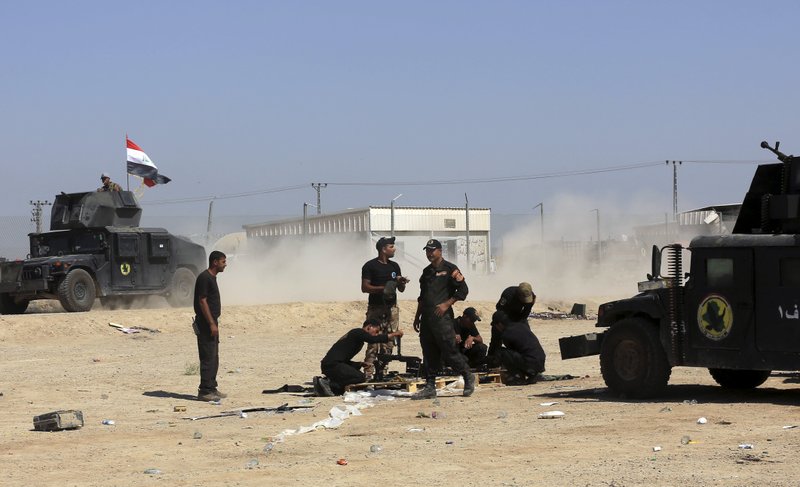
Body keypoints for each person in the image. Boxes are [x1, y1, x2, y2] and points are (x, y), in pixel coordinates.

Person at [411, 238, 475, 399]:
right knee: (428, 351)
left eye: (432, 250)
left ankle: (468, 376)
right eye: (427, 251)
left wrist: (447, 304)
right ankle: (430, 386)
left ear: (440, 251)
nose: (430, 253)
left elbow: (463, 290)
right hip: (427, 319)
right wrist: (417, 316)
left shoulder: (450, 269)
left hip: (442, 319)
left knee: (449, 351)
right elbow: (422, 297)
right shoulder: (426, 272)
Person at [360, 236, 409, 379]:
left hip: (391, 309)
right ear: (383, 249)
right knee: (373, 341)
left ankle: (383, 371)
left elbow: (401, 290)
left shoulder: (395, 266)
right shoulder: (370, 266)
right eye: (391, 246)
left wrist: (401, 282)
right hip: (376, 307)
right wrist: (383, 289)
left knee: (389, 342)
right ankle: (368, 373)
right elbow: (365, 287)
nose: (394, 249)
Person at [315, 319, 404, 396]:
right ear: (369, 327)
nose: (376, 334)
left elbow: (343, 359)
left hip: (332, 365)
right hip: (332, 365)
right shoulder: (358, 332)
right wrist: (395, 334)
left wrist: (360, 364)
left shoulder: (358, 338)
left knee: (353, 379)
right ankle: (328, 383)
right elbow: (373, 340)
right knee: (360, 378)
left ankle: (329, 386)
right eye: (376, 331)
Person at [193, 250, 227, 401]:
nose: (225, 265)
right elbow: (202, 301)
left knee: (214, 356)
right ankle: (205, 391)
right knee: (207, 357)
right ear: (215, 262)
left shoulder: (212, 278)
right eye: (223, 262)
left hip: (212, 322)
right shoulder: (204, 278)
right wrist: (211, 323)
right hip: (206, 323)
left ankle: (212, 387)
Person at [489, 310, 546, 385]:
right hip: (540, 362)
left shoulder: (506, 334)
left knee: (502, 352)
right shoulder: (521, 325)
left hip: (530, 363)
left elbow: (512, 356)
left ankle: (518, 377)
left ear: (499, 324)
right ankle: (531, 375)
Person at [488, 282, 536, 357]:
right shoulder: (508, 293)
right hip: (505, 316)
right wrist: (507, 324)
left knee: (526, 337)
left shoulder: (530, 295)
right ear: (518, 294)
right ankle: (491, 359)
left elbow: (525, 313)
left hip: (519, 317)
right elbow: (500, 309)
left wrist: (519, 325)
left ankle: (523, 359)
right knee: (496, 340)